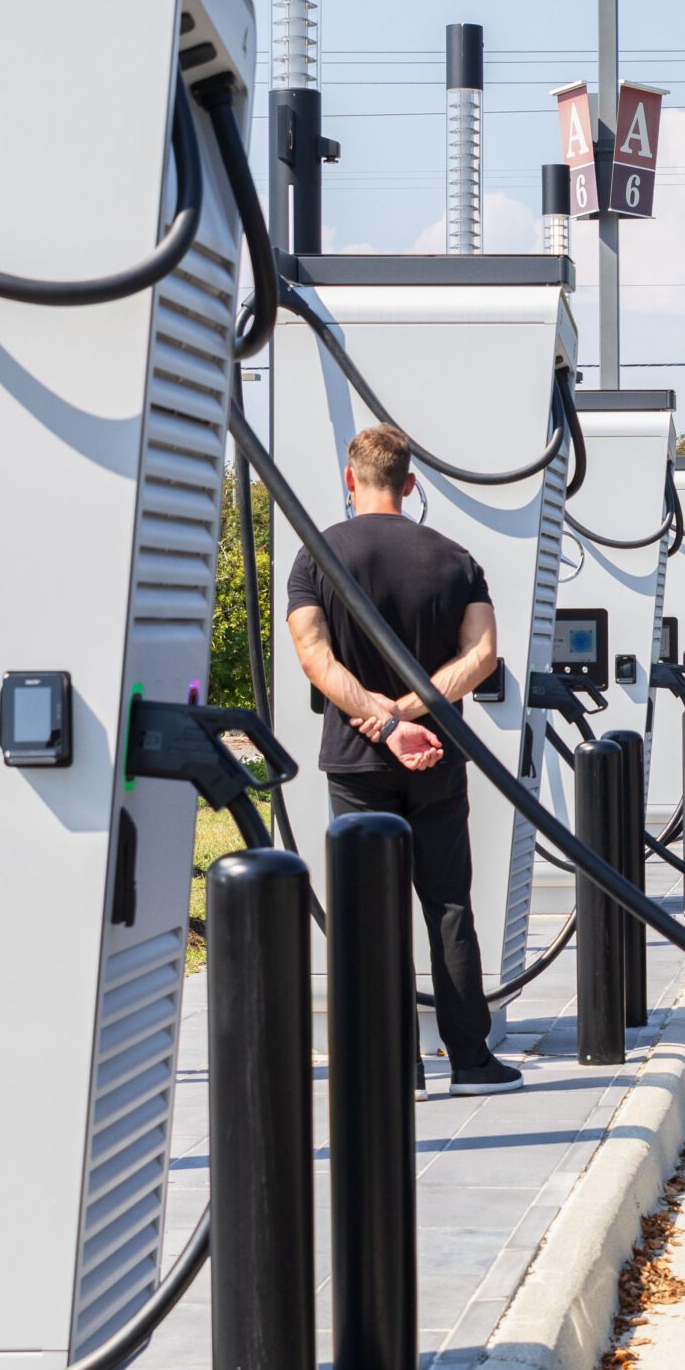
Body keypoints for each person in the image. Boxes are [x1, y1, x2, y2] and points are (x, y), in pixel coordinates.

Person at [285, 425, 521, 1096]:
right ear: (411, 483)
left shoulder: (317, 556)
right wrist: (415, 712)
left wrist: (381, 719)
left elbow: (314, 656)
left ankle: (395, 1065)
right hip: (439, 754)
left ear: (349, 477)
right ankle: (471, 1060)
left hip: (357, 761)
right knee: (447, 901)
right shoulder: (455, 559)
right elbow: (482, 657)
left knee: (371, 908)